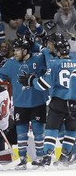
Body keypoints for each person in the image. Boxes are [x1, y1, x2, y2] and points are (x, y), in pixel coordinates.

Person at [0, 36, 48, 170]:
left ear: (25, 50)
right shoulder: (11, 63)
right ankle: (22, 159)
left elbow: (49, 52)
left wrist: (33, 43)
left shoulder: (39, 58)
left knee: (38, 131)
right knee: (21, 132)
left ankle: (40, 157)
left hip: (38, 102)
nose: (15, 52)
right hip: (20, 103)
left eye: (18, 50)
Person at [18, 38, 76, 167]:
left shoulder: (55, 64)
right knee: (72, 129)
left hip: (59, 101)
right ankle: (65, 156)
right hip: (74, 100)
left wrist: (31, 81)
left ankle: (47, 156)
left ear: (58, 51)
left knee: (52, 128)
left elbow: (44, 84)